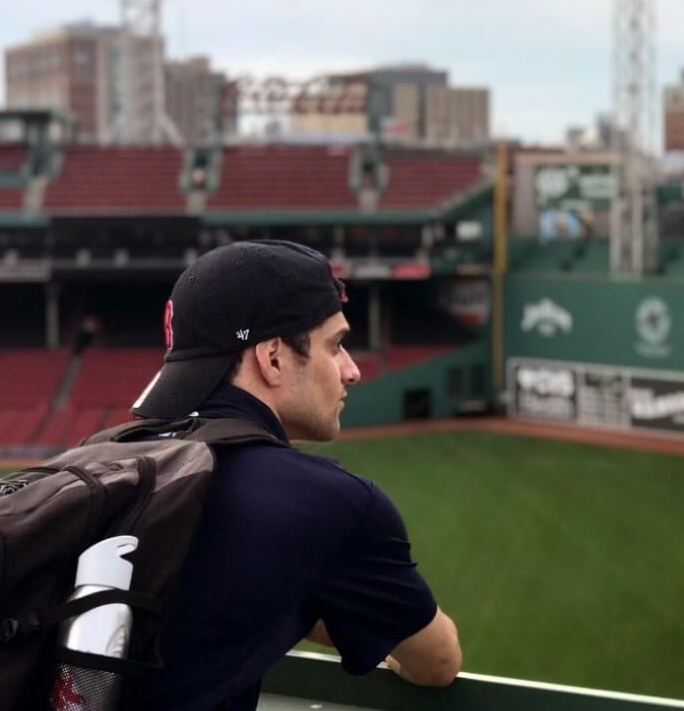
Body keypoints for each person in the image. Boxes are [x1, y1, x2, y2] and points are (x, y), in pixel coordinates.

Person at [130, 239, 461, 710]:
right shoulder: (328, 502)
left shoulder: (107, 456)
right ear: (274, 358)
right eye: (337, 344)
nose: (351, 371)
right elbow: (437, 662)